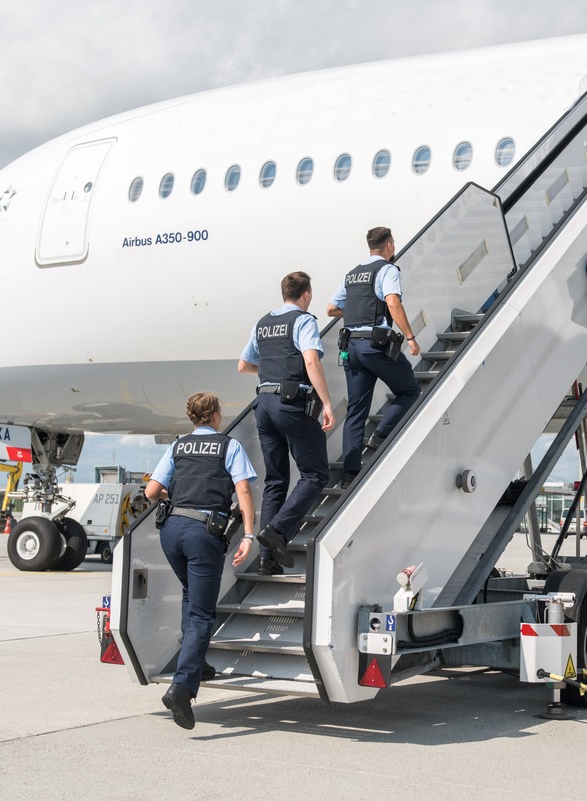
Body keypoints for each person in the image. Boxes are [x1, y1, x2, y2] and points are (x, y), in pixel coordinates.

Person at [144, 391, 256, 729]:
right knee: (204, 614)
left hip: (171, 530)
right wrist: (249, 534)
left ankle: (198, 662)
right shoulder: (228, 446)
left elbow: (152, 491)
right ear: (216, 414)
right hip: (201, 533)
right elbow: (244, 491)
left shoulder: (177, 447)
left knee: (192, 595)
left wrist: (179, 494)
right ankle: (182, 687)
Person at [238, 271, 335, 573]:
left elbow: (243, 365)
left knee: (276, 481)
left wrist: (272, 375)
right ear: (306, 294)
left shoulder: (263, 323)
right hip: (290, 403)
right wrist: (328, 403)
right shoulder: (303, 320)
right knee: (315, 474)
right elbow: (310, 360)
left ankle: (267, 561)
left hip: (263, 404)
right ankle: (277, 531)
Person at [327, 227, 421, 488]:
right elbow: (393, 302)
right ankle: (380, 435)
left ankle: (349, 475)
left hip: (351, 349)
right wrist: (410, 337)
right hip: (375, 346)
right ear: (389, 246)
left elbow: (331, 308)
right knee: (410, 391)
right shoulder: (387, 270)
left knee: (356, 411)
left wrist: (356, 311)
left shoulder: (353, 274)